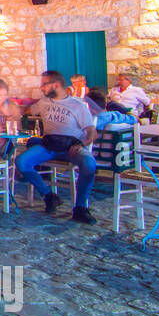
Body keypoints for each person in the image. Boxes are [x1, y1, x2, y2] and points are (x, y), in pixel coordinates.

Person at [16, 70, 98, 224]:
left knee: (89, 164)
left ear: (56, 85)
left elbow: (92, 132)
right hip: (50, 146)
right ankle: (49, 195)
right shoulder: (43, 102)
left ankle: (81, 207)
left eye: (44, 85)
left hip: (72, 147)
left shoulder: (77, 106)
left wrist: (82, 144)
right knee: (22, 162)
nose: (41, 88)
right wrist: (14, 107)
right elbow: (27, 111)